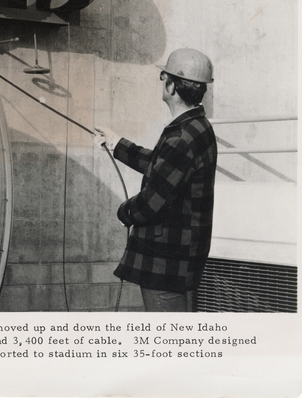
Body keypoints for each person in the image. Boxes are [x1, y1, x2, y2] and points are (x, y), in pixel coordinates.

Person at [93, 48, 217, 312]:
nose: (162, 83)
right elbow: (164, 167)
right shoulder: (198, 127)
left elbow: (151, 202)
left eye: (163, 77)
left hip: (165, 263)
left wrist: (124, 212)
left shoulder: (180, 137)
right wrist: (116, 144)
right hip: (182, 261)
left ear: (171, 86)